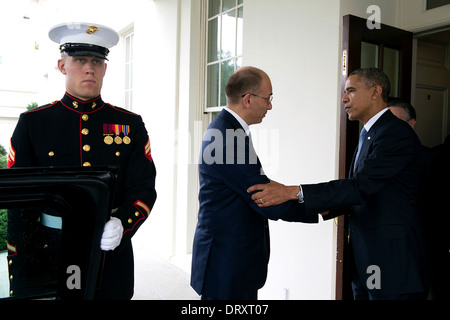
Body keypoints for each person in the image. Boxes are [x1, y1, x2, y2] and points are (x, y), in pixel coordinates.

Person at [248, 68, 431, 300]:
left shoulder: (395, 133)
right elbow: (364, 191)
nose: (344, 98)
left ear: (376, 92)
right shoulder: (370, 132)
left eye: (351, 91)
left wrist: (293, 192)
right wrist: (304, 202)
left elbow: (360, 186)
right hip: (367, 261)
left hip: (394, 265)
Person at [6, 22, 157, 299]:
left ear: (105, 69)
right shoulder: (34, 123)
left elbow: (143, 187)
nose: (90, 68)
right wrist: (23, 266)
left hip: (111, 255)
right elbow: (20, 205)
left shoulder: (129, 124)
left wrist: (122, 223)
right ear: (62, 66)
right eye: (80, 60)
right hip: (52, 253)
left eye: (97, 61)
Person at [190, 66, 318, 300]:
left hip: (232, 259)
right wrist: (320, 203)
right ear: (248, 99)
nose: (270, 105)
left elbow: (263, 185)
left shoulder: (229, 130)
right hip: (226, 262)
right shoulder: (228, 139)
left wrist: (293, 193)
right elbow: (263, 195)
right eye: (268, 98)